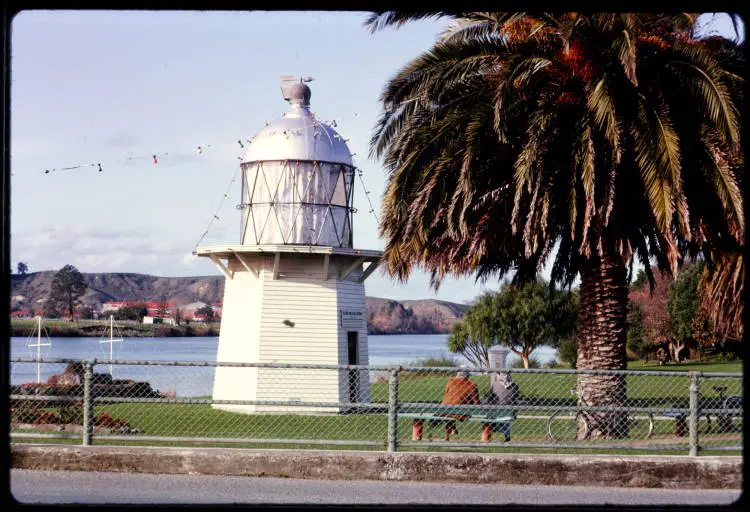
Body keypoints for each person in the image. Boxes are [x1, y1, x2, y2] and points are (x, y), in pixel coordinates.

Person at [436, 367, 480, 441]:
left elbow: (446, 392)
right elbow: (476, 402)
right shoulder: (472, 385)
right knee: (458, 406)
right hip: (460, 412)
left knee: (451, 408)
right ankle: (452, 430)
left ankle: (449, 433)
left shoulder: (450, 381)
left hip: (443, 410)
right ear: (467, 375)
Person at [481, 371, 520, 442]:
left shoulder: (495, 384)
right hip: (510, 412)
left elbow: (491, 398)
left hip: (496, 411)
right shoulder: (515, 385)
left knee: (487, 419)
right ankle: (507, 436)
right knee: (505, 416)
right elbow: (516, 399)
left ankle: (485, 438)